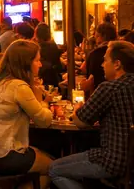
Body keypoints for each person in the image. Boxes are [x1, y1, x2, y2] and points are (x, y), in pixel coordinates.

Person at [50, 41, 134, 189]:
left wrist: (79, 106)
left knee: (54, 169)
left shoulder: (109, 88)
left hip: (114, 160)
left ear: (117, 64)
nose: (102, 65)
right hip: (131, 162)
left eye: (105, 60)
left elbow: (80, 122)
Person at [0, 41, 54, 183]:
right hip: (3, 156)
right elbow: (44, 121)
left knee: (36, 155)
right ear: (26, 63)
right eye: (37, 60)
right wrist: (44, 103)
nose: (40, 64)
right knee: (53, 166)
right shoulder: (19, 86)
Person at [81, 23, 118, 96]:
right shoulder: (120, 51)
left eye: (97, 36)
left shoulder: (95, 54)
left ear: (102, 36)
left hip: (99, 95)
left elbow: (90, 79)